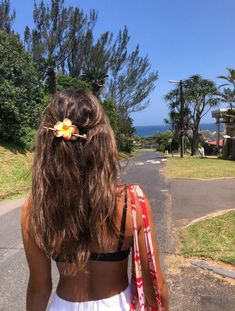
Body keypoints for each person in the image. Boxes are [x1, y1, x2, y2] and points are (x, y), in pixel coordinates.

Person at [21, 89, 169, 311]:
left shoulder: (34, 208)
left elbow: (39, 290)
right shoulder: (132, 200)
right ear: (103, 140)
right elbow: (155, 286)